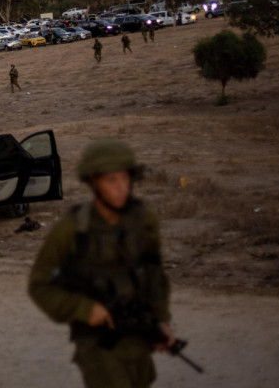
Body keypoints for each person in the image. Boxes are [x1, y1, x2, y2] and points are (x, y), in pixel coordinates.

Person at [28, 139, 175, 388]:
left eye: (125, 179)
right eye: (111, 180)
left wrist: (160, 321)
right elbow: (39, 285)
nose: (121, 188)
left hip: (137, 337)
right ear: (94, 182)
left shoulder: (143, 221)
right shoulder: (71, 229)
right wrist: (85, 309)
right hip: (97, 342)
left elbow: (155, 275)